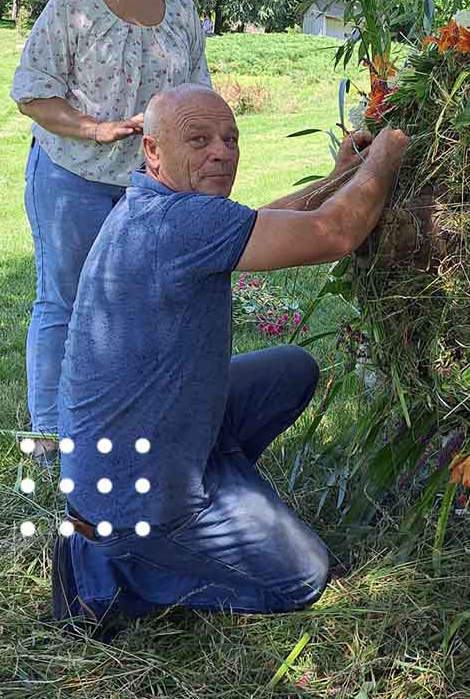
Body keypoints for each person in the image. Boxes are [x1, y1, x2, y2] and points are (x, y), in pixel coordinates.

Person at [51, 84, 408, 637]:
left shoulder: (154, 209)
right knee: (302, 575)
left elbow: (264, 222)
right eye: (199, 139)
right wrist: (389, 150)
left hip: (141, 446)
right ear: (152, 150)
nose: (222, 151)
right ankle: (118, 566)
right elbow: (337, 233)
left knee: (290, 369)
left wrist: (342, 176)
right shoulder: (176, 224)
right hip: (132, 496)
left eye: (230, 138)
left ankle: (215, 477)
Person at [10, 0, 209, 458]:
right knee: (63, 298)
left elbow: (198, 89)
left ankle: (119, 410)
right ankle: (49, 427)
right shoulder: (73, 2)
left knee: (136, 300)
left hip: (149, 186)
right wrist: (95, 128)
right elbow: (31, 93)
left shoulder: (183, 8)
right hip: (71, 175)